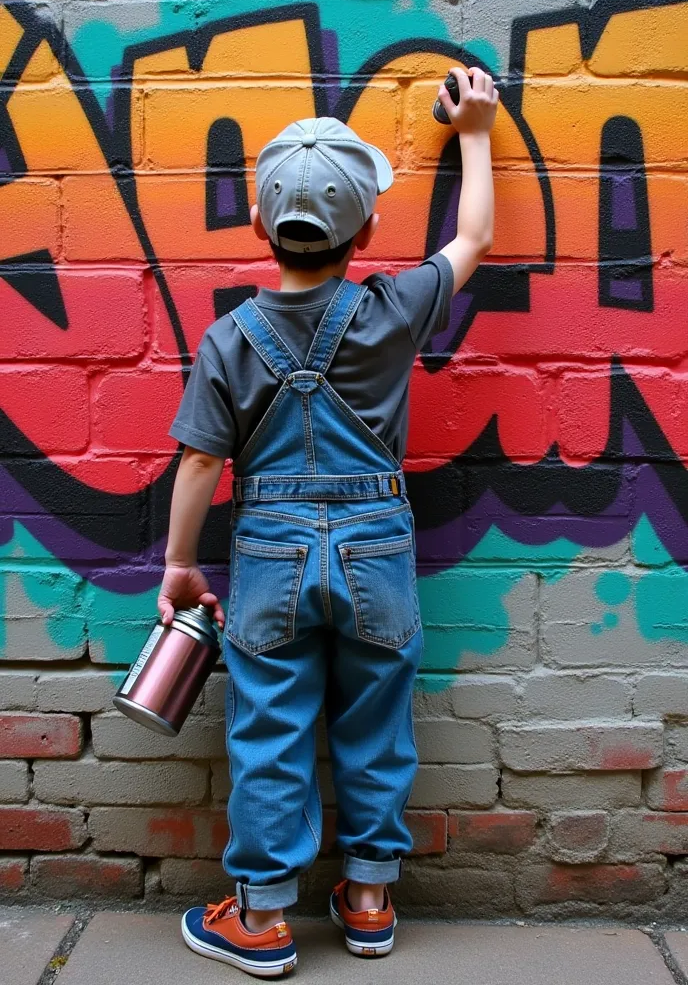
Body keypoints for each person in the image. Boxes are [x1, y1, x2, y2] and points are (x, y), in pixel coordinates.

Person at [158, 66, 498, 977]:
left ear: (262, 228)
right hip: (377, 545)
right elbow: (473, 235)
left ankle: (262, 920)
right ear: (368, 231)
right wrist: (474, 128)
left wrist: (180, 565)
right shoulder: (391, 311)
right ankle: (371, 899)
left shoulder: (230, 339)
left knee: (269, 726)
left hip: (267, 549)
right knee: (377, 721)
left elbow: (199, 460)